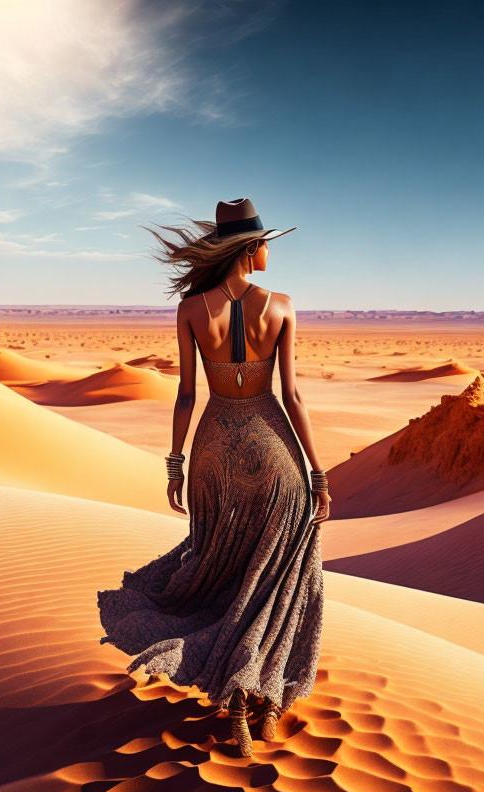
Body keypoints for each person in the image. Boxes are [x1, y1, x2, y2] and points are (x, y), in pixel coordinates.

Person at [96, 197, 329, 758]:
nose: (270, 249)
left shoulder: (192, 308)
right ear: (249, 248)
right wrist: (318, 473)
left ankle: (240, 700)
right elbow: (292, 395)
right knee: (281, 571)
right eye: (266, 241)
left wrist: (175, 461)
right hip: (273, 445)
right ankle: (262, 696)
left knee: (225, 568)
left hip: (214, 447)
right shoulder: (283, 305)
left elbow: (185, 393)